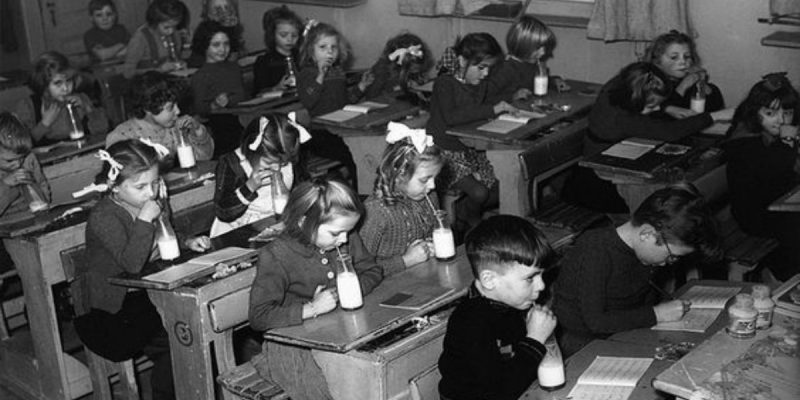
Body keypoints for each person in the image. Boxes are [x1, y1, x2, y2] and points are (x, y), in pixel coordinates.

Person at [72, 139, 212, 400]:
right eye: (140, 187)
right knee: (179, 339)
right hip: (114, 310)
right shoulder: (105, 216)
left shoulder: (152, 200)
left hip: (149, 291)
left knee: (198, 319)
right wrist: (145, 218)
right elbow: (132, 263)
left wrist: (187, 241)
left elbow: (165, 234)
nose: (150, 192)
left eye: (155, 182)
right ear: (114, 186)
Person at [248, 178, 383, 400]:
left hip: (340, 331)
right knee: (325, 389)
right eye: (335, 233)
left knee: (373, 370)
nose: (344, 239)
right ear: (304, 222)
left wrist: (348, 291)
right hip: (292, 344)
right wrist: (312, 308)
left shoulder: (344, 235)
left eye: (348, 231)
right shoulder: (277, 255)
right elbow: (259, 316)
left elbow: (372, 271)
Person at [554, 184, 721, 357]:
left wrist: (659, 314)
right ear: (647, 234)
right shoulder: (595, 249)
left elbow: (642, 303)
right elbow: (596, 322)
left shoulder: (645, 253)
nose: (668, 263)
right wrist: (656, 314)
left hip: (623, 331)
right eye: (671, 256)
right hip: (582, 342)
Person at [562, 62, 734, 213]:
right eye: (652, 106)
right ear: (635, 101)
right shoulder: (622, 118)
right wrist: (715, 116)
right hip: (602, 175)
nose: (657, 108)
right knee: (661, 198)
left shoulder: (620, 86)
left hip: (610, 153)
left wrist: (668, 106)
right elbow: (669, 131)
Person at [438, 215, 557, 400]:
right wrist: (535, 340)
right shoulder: (470, 323)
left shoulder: (509, 305)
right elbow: (498, 392)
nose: (541, 286)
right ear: (489, 280)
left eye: (541, 275)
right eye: (530, 278)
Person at [426, 33, 517, 232]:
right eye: (481, 68)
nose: (485, 74)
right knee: (479, 193)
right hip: (443, 152)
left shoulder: (479, 83)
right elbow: (452, 117)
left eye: (489, 68)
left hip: (469, 148)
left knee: (501, 188)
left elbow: (486, 102)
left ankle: (463, 211)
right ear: (462, 61)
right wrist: (492, 110)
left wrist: (512, 97)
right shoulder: (445, 84)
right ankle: (471, 220)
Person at [724, 72, 800, 282]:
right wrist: (789, 142)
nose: (781, 120)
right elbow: (776, 172)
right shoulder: (744, 142)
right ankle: (779, 274)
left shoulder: (774, 138)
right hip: (754, 215)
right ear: (754, 113)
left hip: (777, 205)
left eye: (787, 113)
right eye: (770, 113)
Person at [296, 21, 371, 190]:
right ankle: (357, 195)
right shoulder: (307, 74)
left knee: (365, 149)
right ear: (311, 50)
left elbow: (345, 102)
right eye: (323, 47)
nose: (329, 52)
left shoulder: (337, 72)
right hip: (321, 133)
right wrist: (320, 76)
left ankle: (359, 191)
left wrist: (361, 87)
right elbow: (308, 101)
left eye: (333, 47)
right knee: (354, 156)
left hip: (342, 127)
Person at [359, 122, 440, 275]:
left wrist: (432, 245)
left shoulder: (429, 197)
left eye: (435, 178)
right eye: (424, 180)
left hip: (423, 275)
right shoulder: (376, 212)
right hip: (388, 283)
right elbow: (361, 268)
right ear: (399, 175)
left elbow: (435, 231)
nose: (433, 185)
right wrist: (406, 261)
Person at [211, 112, 310, 237]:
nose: (277, 168)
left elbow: (303, 188)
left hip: (274, 227)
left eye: (283, 163)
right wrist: (249, 188)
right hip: (236, 231)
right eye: (269, 163)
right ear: (251, 152)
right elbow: (223, 212)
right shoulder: (232, 164)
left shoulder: (287, 159)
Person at [106, 71, 215, 166]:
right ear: (148, 107)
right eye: (170, 107)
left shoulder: (174, 128)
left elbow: (204, 158)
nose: (178, 111)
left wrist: (197, 131)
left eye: (177, 105)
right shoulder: (123, 137)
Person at [15, 51, 109, 144]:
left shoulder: (81, 99)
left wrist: (88, 109)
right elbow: (23, 144)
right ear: (44, 85)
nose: (65, 88)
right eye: (58, 83)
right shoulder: (29, 106)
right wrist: (44, 124)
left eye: (69, 81)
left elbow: (103, 131)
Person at [0, 112, 51, 273]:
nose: (17, 164)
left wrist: (41, 197)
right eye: (10, 160)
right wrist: (6, 184)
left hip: (37, 220)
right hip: (8, 230)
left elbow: (43, 186)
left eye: (20, 158)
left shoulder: (28, 159)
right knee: (32, 268)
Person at [189, 20, 245, 156]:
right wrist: (214, 104)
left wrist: (229, 100)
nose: (222, 49)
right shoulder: (201, 75)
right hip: (219, 127)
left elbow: (241, 94)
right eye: (216, 45)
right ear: (205, 46)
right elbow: (199, 108)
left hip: (240, 117)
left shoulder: (234, 68)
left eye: (226, 44)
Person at [645, 30, 725, 118]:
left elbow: (715, 106)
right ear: (657, 61)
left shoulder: (690, 82)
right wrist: (683, 87)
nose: (683, 62)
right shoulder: (649, 84)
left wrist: (701, 84)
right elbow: (658, 115)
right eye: (674, 57)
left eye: (687, 56)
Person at [485, 15, 557, 103]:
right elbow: (484, 98)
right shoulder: (505, 69)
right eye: (538, 48)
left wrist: (554, 82)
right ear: (523, 46)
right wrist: (512, 97)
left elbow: (536, 82)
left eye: (544, 47)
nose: (543, 52)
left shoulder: (531, 64)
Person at [122, 0, 187, 78]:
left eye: (174, 26)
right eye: (166, 27)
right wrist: (159, 70)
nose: (171, 31)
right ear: (154, 22)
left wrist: (180, 64)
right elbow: (128, 73)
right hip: (147, 83)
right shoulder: (140, 38)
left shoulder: (175, 34)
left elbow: (175, 58)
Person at [363, 32, 432, 100]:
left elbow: (418, 82)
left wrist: (416, 86)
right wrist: (400, 88)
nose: (416, 70)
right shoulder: (382, 69)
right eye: (413, 68)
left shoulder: (411, 69)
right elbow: (371, 97)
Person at [252, 5, 303, 95]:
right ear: (272, 35)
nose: (290, 39)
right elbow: (259, 94)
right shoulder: (264, 62)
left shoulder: (301, 56)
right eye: (283, 35)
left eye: (294, 36)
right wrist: (276, 88)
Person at [83, 0, 130, 65]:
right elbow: (103, 55)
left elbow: (133, 49)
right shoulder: (90, 35)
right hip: (102, 69)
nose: (105, 18)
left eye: (109, 14)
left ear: (115, 15)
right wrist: (123, 44)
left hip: (125, 66)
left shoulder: (121, 29)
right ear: (91, 18)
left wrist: (111, 53)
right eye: (99, 15)